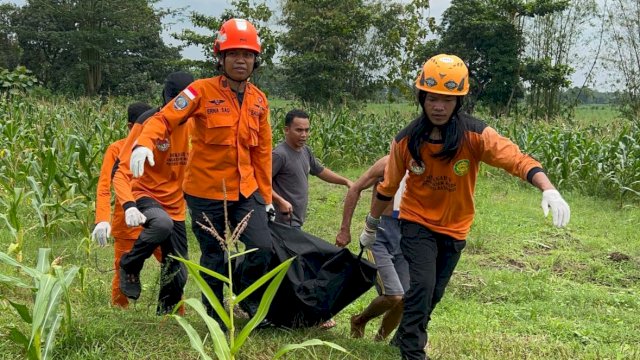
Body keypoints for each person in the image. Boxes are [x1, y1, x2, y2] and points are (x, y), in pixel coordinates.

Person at [358, 54, 571, 360]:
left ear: (459, 101)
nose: (439, 107)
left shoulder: (475, 135)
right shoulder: (406, 140)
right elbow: (387, 186)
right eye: (433, 98)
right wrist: (370, 226)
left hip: (455, 227)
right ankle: (413, 352)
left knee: (434, 293)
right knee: (421, 286)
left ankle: (407, 334)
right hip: (416, 222)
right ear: (422, 97)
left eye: (448, 99)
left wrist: (547, 187)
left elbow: (516, 159)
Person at [127, 19, 274, 326]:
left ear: (255, 60)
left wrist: (268, 196)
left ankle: (246, 296)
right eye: (233, 53)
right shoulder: (199, 92)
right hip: (206, 191)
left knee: (263, 247)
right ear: (220, 57)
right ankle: (215, 316)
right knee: (214, 256)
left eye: (247, 54)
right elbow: (164, 119)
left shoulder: (259, 100)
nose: (240, 60)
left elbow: (261, 153)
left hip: (246, 190)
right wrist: (144, 143)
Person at [113, 71, 194, 315]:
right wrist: (128, 205)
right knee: (161, 225)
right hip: (145, 194)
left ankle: (165, 316)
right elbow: (121, 171)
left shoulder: (196, 122)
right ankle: (130, 265)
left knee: (178, 272)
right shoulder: (149, 121)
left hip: (176, 202)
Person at [91, 101, 163, 308]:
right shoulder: (116, 150)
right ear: (131, 127)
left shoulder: (160, 146)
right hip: (126, 222)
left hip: (158, 219)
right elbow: (104, 186)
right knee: (122, 269)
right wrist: (102, 220)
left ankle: (174, 311)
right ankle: (119, 310)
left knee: (173, 265)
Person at [335, 155, 409, 341]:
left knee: (406, 299)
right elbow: (355, 188)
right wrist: (345, 229)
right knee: (393, 295)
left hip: (408, 236)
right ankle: (359, 320)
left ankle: (379, 341)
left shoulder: (428, 165)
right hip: (380, 234)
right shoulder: (387, 163)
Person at [272, 109, 353, 228]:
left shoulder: (305, 150)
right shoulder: (279, 155)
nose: (304, 135)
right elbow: (262, 184)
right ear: (286, 130)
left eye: (307, 130)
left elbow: (320, 170)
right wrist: (280, 201)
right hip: (283, 221)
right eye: (299, 130)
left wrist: (345, 181)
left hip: (297, 218)